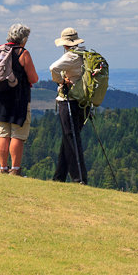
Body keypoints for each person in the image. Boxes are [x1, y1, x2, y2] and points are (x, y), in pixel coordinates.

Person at [0, 23, 38, 175]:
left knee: (3, 133)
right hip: (19, 99)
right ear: (23, 38)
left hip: (0, 99)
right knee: (18, 134)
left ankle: (2, 168)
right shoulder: (23, 53)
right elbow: (34, 78)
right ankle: (15, 169)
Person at [49, 27, 89, 183]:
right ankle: (59, 177)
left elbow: (53, 68)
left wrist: (60, 81)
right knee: (69, 137)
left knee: (71, 138)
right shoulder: (84, 54)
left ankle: (79, 178)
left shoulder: (71, 57)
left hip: (69, 100)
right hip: (82, 101)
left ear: (65, 44)